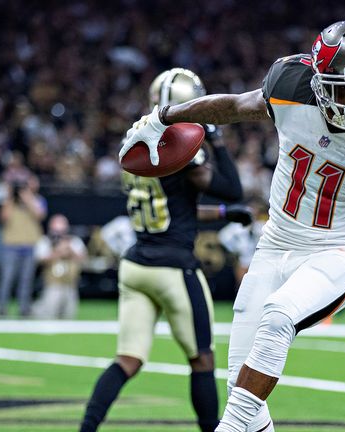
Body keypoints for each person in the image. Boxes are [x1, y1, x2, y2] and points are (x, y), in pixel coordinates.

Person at [121, 21, 345, 432]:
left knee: (276, 322)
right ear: (318, 81)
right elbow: (237, 106)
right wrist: (163, 116)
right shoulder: (291, 85)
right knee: (243, 387)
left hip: (340, 251)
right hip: (276, 243)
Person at [80, 68, 246, 432]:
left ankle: (86, 429)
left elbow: (172, 207)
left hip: (136, 264)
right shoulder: (179, 145)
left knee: (127, 360)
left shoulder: (136, 139)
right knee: (202, 360)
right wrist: (215, 137)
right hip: (174, 269)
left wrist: (220, 214)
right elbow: (231, 187)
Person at [0, 175, 47, 317]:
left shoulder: (37, 200)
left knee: (26, 280)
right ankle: (1, 308)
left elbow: (40, 215)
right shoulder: (9, 201)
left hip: (29, 245)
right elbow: (3, 218)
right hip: (11, 245)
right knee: (7, 279)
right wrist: (10, 197)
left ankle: (24, 309)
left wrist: (28, 198)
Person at [32, 214, 86, 319]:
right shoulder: (45, 241)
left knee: (69, 315)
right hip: (53, 284)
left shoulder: (74, 241)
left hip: (71, 285)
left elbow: (83, 259)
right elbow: (40, 259)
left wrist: (70, 250)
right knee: (49, 314)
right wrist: (57, 252)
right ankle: (35, 309)